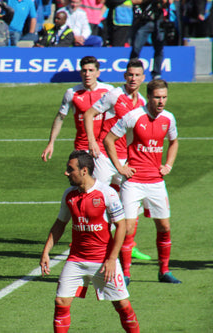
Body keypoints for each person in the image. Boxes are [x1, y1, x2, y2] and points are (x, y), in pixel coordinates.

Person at [40, 150, 140, 333]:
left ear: (84, 170)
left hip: (103, 261)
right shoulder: (69, 195)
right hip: (76, 260)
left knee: (123, 306)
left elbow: (121, 226)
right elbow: (59, 224)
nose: (66, 173)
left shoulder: (107, 193)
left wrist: (111, 259)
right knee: (61, 302)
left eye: (70, 170)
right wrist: (46, 251)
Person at [103, 79, 181, 284]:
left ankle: (164, 271)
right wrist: (120, 168)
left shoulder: (169, 118)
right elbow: (108, 140)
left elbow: (173, 142)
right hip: (134, 182)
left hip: (156, 182)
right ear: (149, 97)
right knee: (127, 229)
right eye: (157, 97)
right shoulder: (133, 116)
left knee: (164, 226)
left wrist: (168, 165)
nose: (161, 101)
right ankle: (126, 274)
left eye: (164, 97)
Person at [83, 59, 150, 278]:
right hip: (105, 156)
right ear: (125, 76)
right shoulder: (114, 95)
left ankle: (128, 247)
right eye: (130, 74)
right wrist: (92, 141)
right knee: (98, 202)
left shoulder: (142, 101)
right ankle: (95, 252)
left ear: (143, 78)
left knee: (132, 205)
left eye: (137, 75)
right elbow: (89, 114)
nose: (133, 78)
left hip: (127, 160)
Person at [41, 55, 113, 162]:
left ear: (98, 73)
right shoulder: (72, 93)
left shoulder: (109, 91)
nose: (87, 74)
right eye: (84, 71)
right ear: (80, 73)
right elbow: (60, 118)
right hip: (82, 147)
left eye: (91, 70)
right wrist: (51, 143)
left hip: (104, 146)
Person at [129, 0, 173, 79]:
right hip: (144, 20)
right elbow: (133, 1)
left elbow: (167, 4)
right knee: (136, 47)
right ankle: (132, 71)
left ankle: (156, 73)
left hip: (159, 21)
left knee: (159, 48)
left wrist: (164, 2)